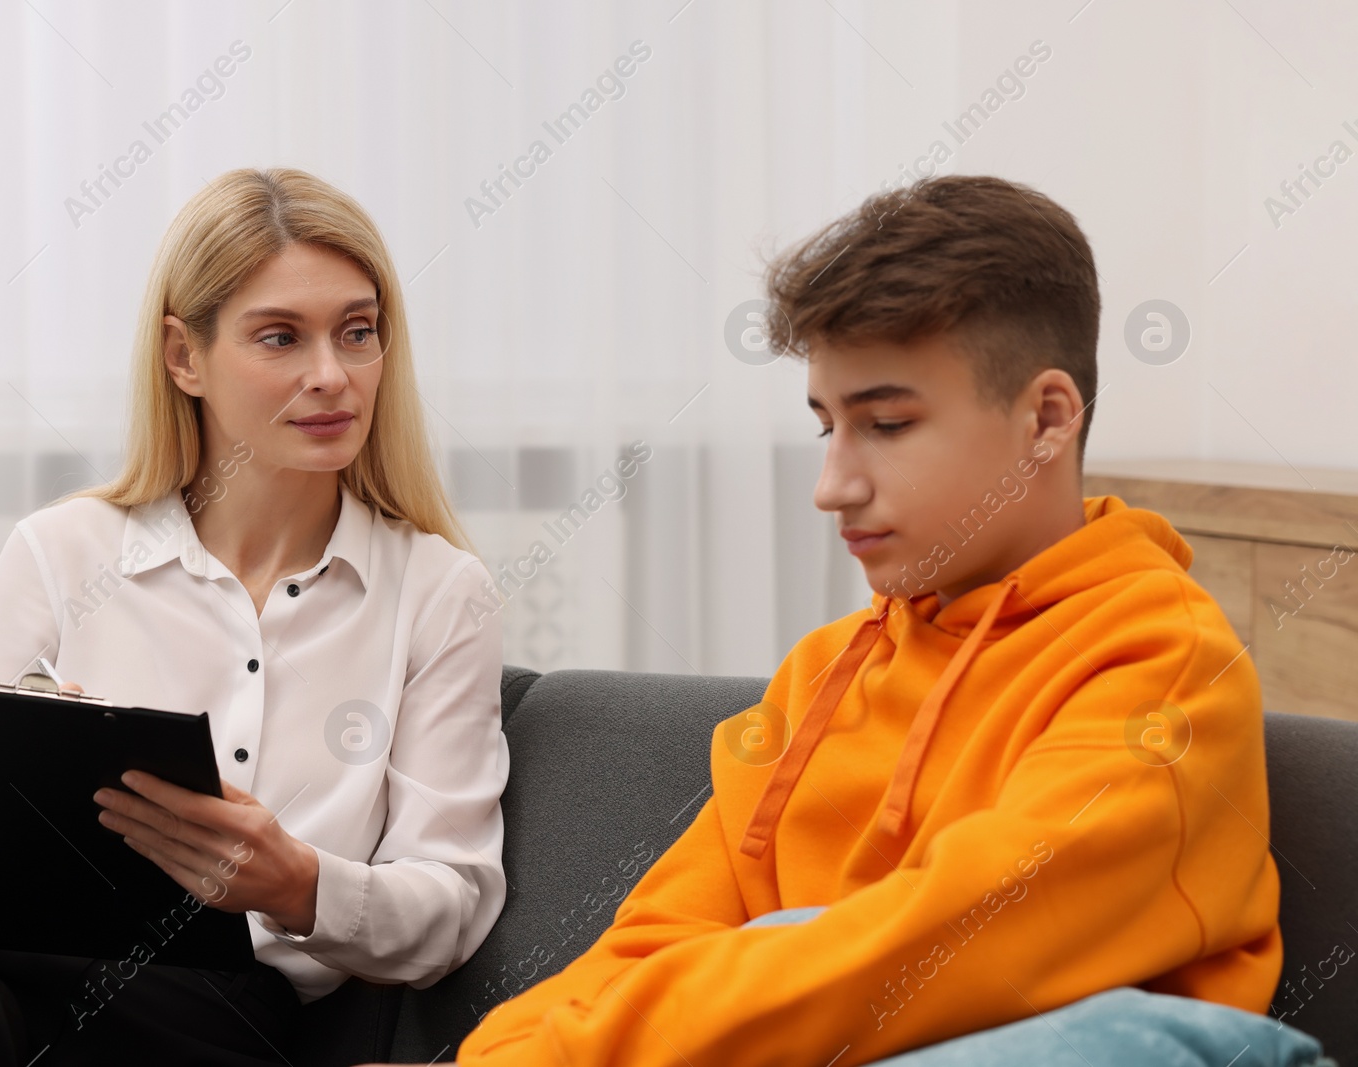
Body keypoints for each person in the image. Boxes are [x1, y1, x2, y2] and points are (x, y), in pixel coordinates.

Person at [412, 176, 1328, 1066]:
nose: (832, 486)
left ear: (1047, 418)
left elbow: (934, 947)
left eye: (885, 424)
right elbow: (658, 937)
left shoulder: (1162, 663)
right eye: (826, 427)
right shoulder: (824, 670)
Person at [0, 168, 509, 1066]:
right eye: (281, 337)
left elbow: (454, 906)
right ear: (182, 356)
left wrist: (299, 882)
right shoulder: (61, 551)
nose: (332, 375)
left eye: (357, 333)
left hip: (205, 1010)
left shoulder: (439, 592)